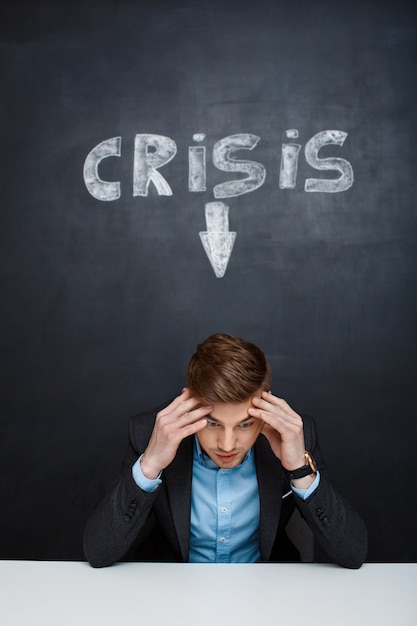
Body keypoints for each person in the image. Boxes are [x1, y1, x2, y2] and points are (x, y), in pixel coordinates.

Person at [84, 333, 367, 568]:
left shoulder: (292, 435)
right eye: (212, 424)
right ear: (189, 404)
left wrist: (300, 470)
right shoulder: (149, 434)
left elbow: (353, 553)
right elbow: (98, 553)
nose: (228, 445)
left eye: (245, 425)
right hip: (172, 595)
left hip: (268, 595)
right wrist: (151, 463)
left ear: (265, 409)